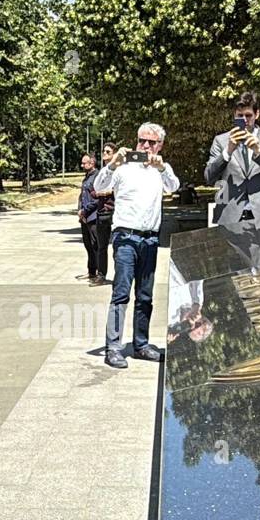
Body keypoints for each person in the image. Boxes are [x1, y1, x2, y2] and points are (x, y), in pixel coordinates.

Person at [94, 122, 180, 369]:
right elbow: (99, 186)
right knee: (121, 294)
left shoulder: (160, 169)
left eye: (151, 142)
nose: (145, 146)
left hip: (150, 239)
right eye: (142, 140)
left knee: (145, 295)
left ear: (160, 145)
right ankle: (113, 347)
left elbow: (173, 186)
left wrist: (162, 167)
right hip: (125, 238)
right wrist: (112, 164)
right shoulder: (123, 167)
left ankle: (141, 344)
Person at [204, 90, 260, 230]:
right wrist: (228, 152)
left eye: (248, 115)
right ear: (234, 115)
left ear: (257, 114)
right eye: (240, 116)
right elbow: (208, 176)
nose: (245, 120)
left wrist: (259, 152)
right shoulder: (221, 141)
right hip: (230, 219)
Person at [91, 142, 117, 287]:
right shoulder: (102, 172)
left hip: (114, 212)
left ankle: (119, 276)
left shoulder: (119, 170)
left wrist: (109, 191)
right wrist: (101, 192)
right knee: (102, 246)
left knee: (117, 246)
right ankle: (101, 275)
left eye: (108, 152)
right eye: (104, 152)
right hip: (102, 212)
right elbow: (94, 190)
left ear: (114, 154)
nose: (105, 154)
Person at [77, 153, 105, 284]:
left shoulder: (97, 177)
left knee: (95, 246)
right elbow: (82, 196)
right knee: (88, 245)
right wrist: (80, 211)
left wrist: (85, 210)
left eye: (84, 163)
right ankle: (91, 271)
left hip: (93, 216)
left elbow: (96, 199)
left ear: (92, 163)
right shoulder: (87, 177)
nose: (82, 165)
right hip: (85, 217)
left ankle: (99, 273)